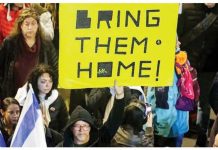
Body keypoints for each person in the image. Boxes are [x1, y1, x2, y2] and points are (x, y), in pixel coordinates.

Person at [177, 3, 218, 146]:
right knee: (180, 98)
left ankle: (201, 139)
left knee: (203, 103)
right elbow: (177, 35)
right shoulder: (186, 9)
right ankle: (178, 134)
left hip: (209, 66)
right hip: (185, 64)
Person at [0, 7, 58, 102]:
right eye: (26, 24)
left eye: (33, 24)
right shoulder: (9, 43)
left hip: (39, 97)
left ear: (38, 26)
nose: (30, 27)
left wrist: (50, 95)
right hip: (13, 96)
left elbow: (54, 71)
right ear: (21, 26)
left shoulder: (46, 45)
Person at [60, 80, 125, 147]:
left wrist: (120, 96)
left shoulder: (100, 140)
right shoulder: (61, 146)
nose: (81, 129)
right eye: (77, 125)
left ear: (90, 128)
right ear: (71, 128)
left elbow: (114, 121)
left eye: (85, 125)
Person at [15, 64, 68, 133]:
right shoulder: (24, 97)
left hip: (53, 139)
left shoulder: (56, 97)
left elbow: (65, 124)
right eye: (43, 82)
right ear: (35, 82)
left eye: (50, 81)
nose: (47, 85)